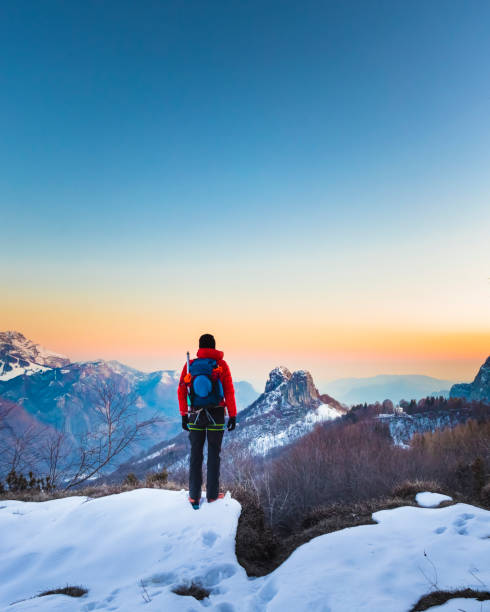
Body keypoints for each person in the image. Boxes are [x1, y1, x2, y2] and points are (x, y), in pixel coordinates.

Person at [178, 333, 236, 508]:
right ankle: (211, 496)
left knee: (195, 455)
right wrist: (232, 415)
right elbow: (228, 391)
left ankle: (194, 497)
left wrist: (183, 415)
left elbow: (181, 390)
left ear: (200, 347)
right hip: (216, 414)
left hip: (195, 414)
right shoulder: (221, 365)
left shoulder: (191, 365)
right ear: (214, 346)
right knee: (213, 455)